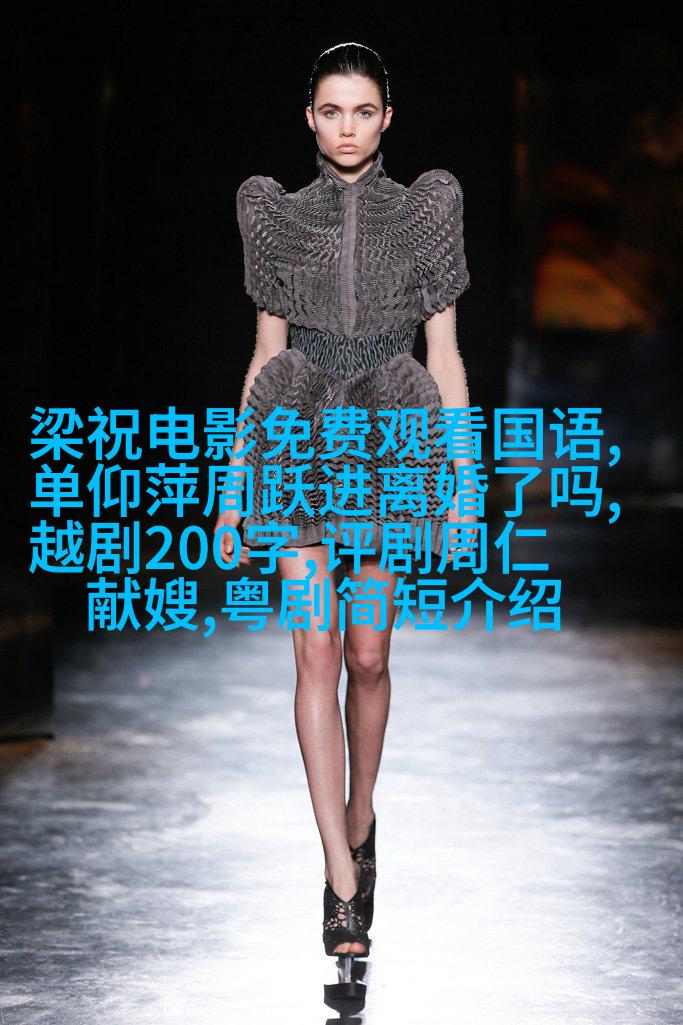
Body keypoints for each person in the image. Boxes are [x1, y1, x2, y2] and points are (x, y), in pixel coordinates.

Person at [214, 42, 475, 958]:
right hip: (294, 429)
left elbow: (443, 355)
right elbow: (264, 353)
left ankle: (361, 813)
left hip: (393, 434)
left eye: (363, 111)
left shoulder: (424, 211)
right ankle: (338, 876)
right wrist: (232, 487)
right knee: (315, 653)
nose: (348, 128)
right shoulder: (277, 216)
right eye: (332, 111)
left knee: (367, 654)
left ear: (387, 118)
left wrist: (462, 483)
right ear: (310, 119)